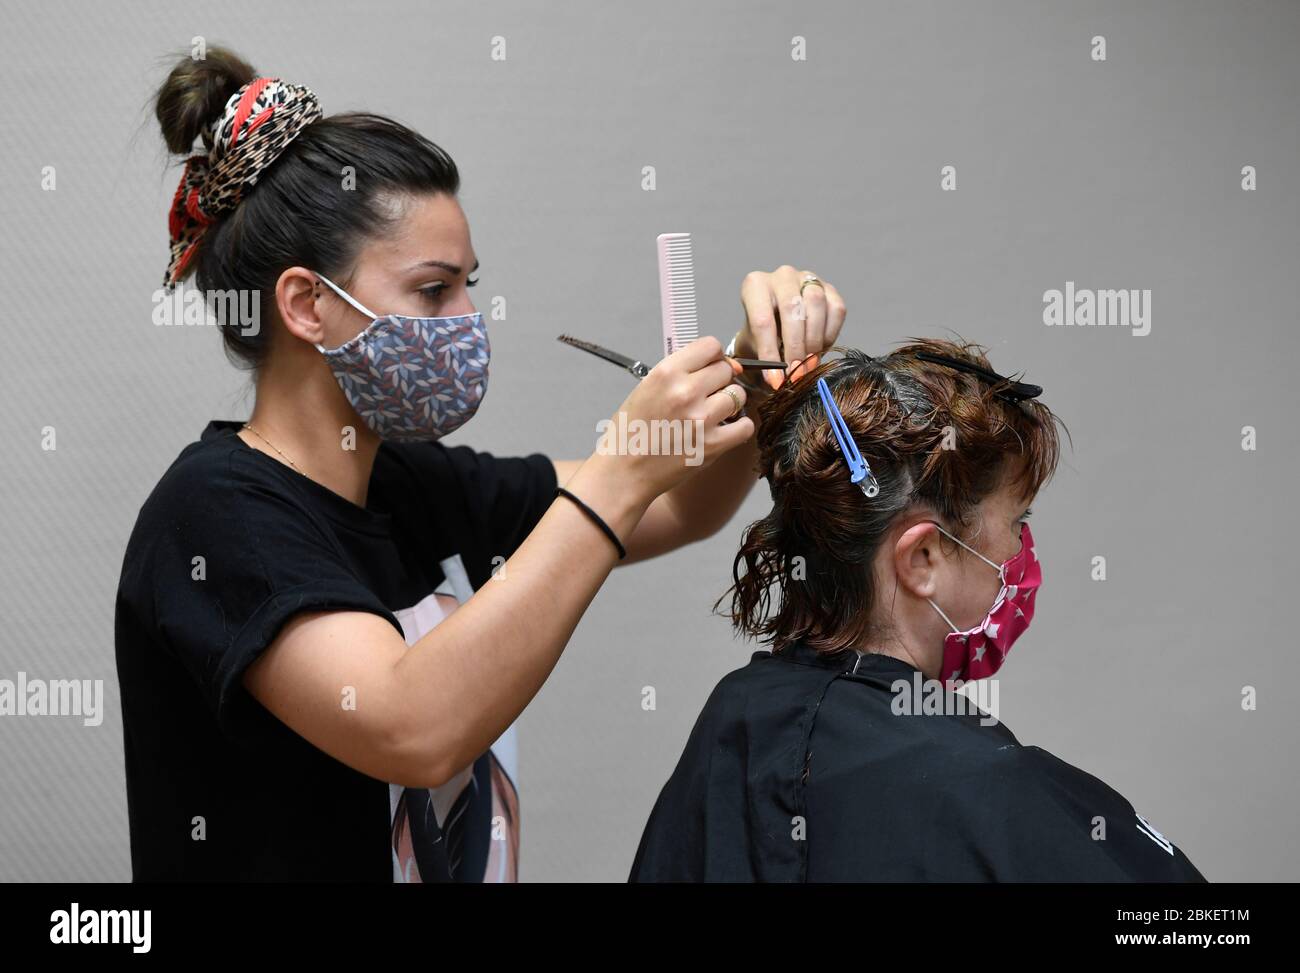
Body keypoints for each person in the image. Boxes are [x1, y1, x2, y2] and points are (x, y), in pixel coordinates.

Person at [114, 46, 848, 881]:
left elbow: (682, 507)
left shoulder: (413, 486)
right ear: (307, 304)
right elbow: (410, 725)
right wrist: (623, 465)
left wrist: (763, 375)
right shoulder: (211, 514)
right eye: (434, 291)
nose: (469, 318)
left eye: (468, 285)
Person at [629, 342, 1207, 882]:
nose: (1021, 553)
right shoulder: (997, 792)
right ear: (922, 557)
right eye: (1018, 523)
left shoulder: (733, 727)